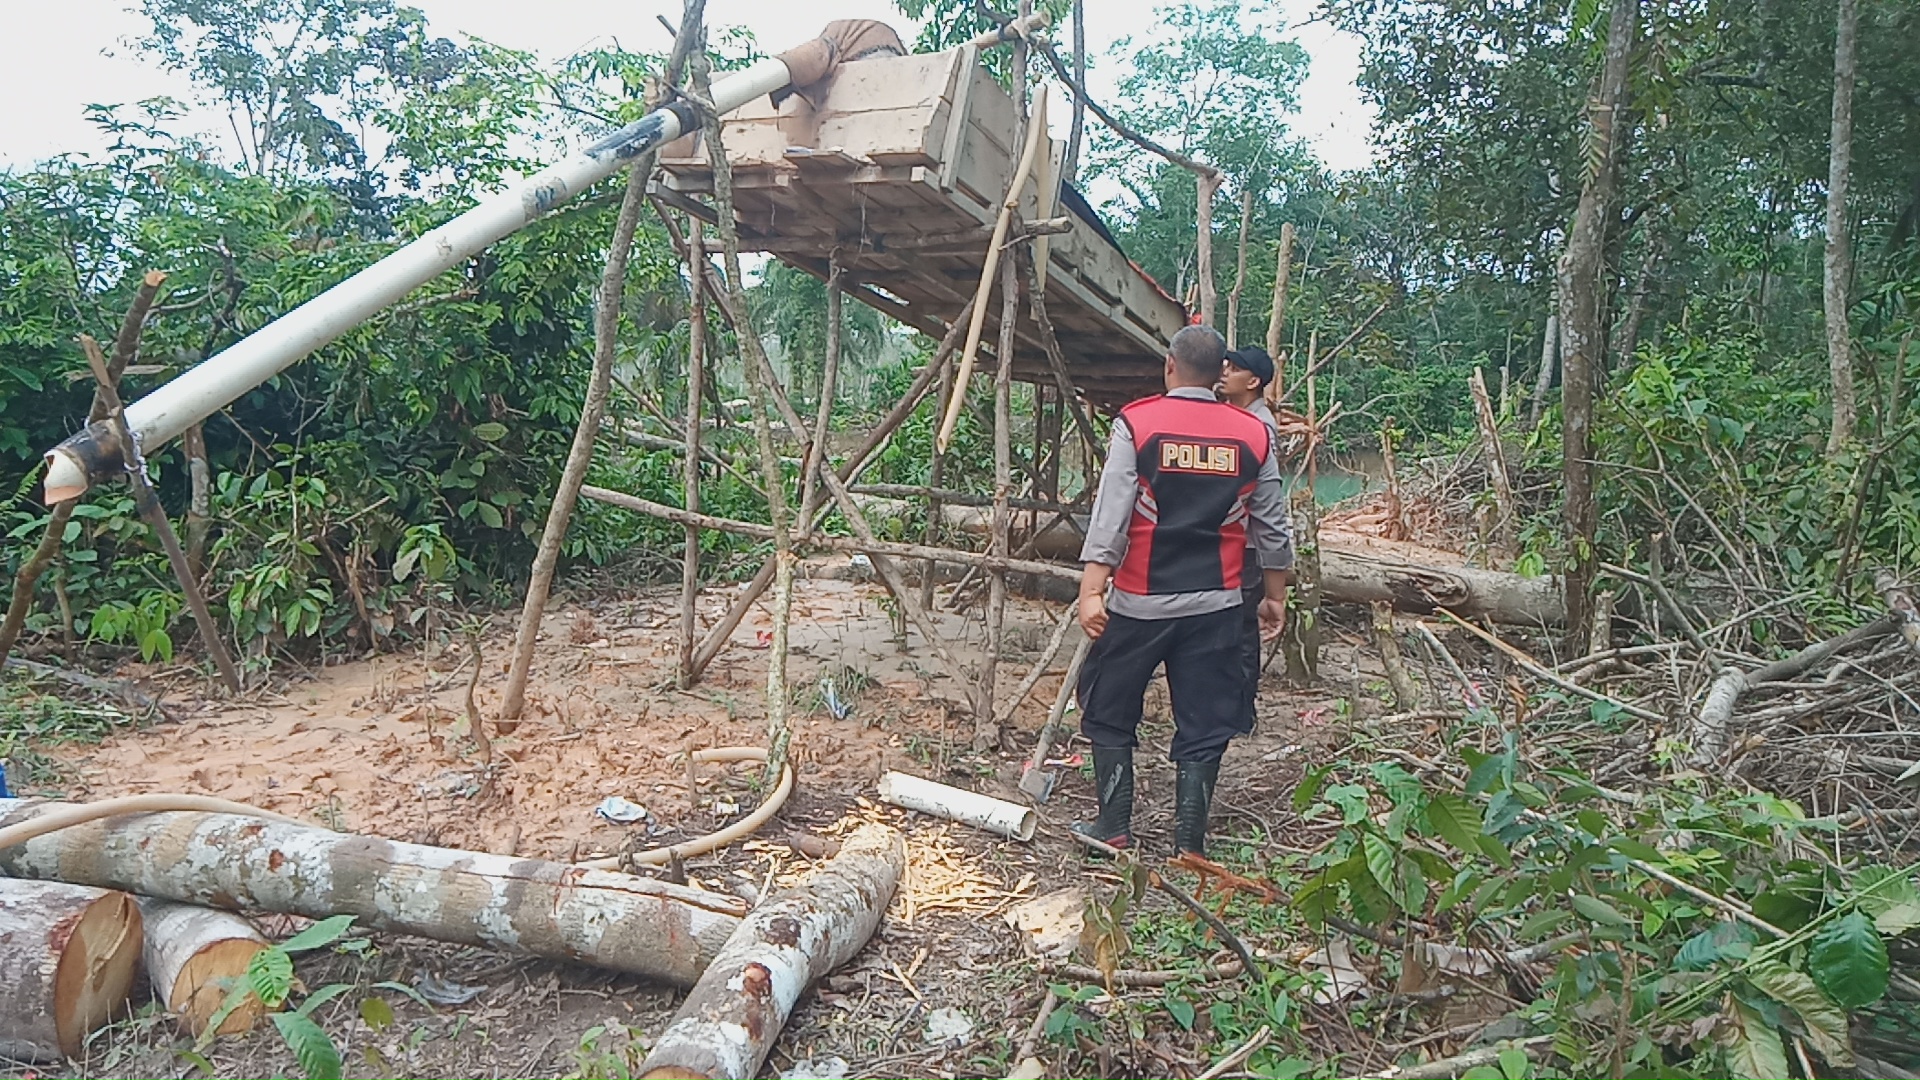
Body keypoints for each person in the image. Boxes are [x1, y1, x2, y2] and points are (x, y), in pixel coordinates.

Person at [1071, 326, 1294, 857]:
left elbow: (1111, 518)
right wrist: (1275, 594)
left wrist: (1090, 591)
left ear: (1170, 366)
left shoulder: (1138, 423)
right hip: (1217, 604)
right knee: (1205, 718)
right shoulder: (1253, 433)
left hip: (1139, 603)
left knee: (1108, 707)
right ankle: (1190, 844)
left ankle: (1114, 828)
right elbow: (1272, 527)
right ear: (1220, 372)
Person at [1218, 346, 1294, 739]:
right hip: (1235, 542)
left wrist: (1275, 587)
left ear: (1253, 382)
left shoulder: (1259, 427)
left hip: (1244, 546)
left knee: (1241, 631)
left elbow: (1269, 511)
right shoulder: (1239, 417)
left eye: (1235, 368)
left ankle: (1240, 715)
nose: (1225, 371)